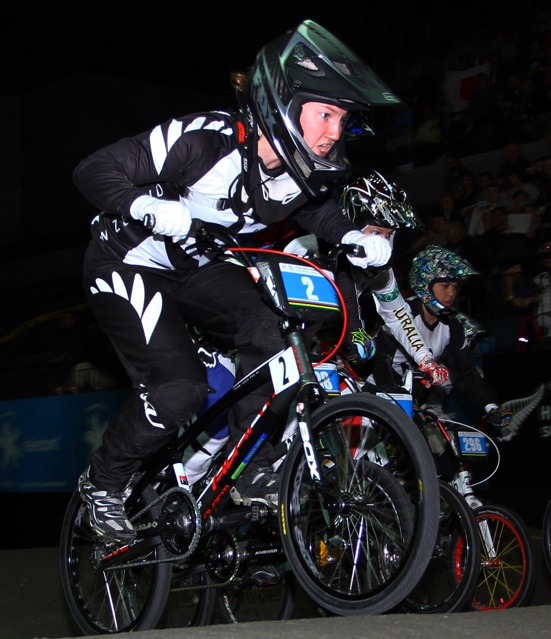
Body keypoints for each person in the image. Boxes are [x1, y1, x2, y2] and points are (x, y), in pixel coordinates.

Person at [71, 20, 407, 544]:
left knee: (273, 336)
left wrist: (354, 235)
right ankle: (104, 484)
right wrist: (147, 205)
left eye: (342, 119)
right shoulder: (206, 139)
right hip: (127, 260)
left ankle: (253, 467)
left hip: (196, 268)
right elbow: (94, 169)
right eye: (326, 114)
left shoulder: (299, 171)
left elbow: (314, 211)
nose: (335, 133)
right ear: (283, 103)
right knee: (180, 391)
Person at [284, 171, 451, 385]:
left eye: (389, 235)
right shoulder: (306, 251)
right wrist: (354, 330)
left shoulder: (380, 268)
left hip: (310, 341)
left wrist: (425, 359)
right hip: (280, 335)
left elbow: (397, 314)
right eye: (376, 233)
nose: (384, 243)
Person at [370, 245, 514, 448]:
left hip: (413, 395)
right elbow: (380, 362)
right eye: (445, 286)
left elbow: (466, 372)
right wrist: (398, 402)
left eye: (455, 287)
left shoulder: (452, 326)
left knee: (443, 453)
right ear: (425, 285)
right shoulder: (403, 314)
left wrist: (491, 408)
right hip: (377, 385)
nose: (451, 294)